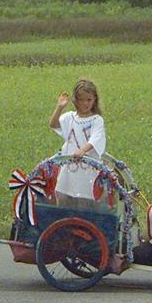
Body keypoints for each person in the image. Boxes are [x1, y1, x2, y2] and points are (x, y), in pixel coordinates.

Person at [48, 78, 107, 207]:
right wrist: (59, 107)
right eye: (81, 100)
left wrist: (83, 150)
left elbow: (95, 138)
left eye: (89, 100)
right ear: (76, 100)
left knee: (85, 200)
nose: (85, 104)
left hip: (87, 168)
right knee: (65, 198)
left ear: (94, 100)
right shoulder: (70, 117)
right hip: (69, 168)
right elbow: (53, 124)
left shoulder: (96, 120)